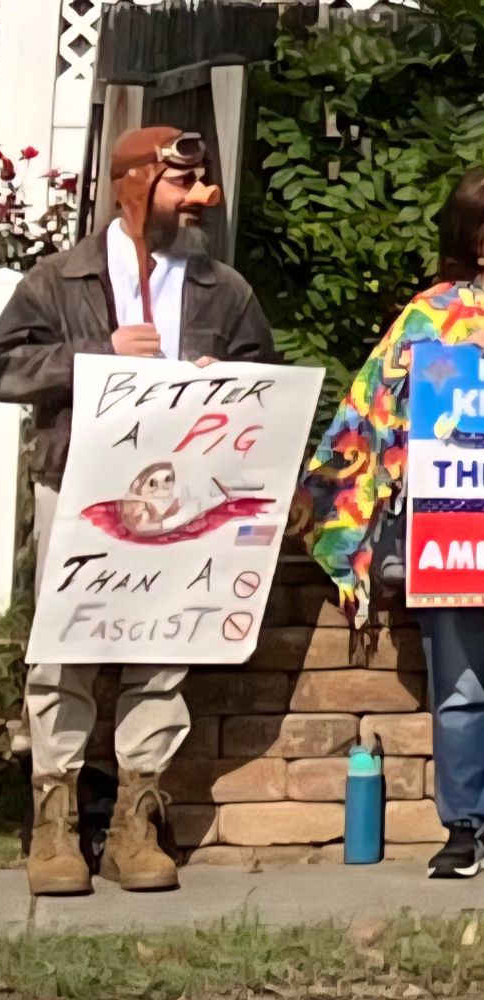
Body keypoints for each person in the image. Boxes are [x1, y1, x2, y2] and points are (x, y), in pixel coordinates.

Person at [0, 125, 281, 896]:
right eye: (181, 184)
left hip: (183, 494)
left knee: (161, 646)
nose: (197, 199)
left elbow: (263, 375)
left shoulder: (223, 288)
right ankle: (55, 824)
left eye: (201, 182)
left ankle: (133, 824)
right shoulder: (61, 279)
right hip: (78, 486)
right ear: (134, 184)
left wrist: (223, 380)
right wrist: (91, 357)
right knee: (62, 650)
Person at [302, 165, 484, 880]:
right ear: (473, 240)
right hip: (454, 530)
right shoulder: (427, 318)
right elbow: (367, 419)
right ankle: (465, 828)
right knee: (462, 689)